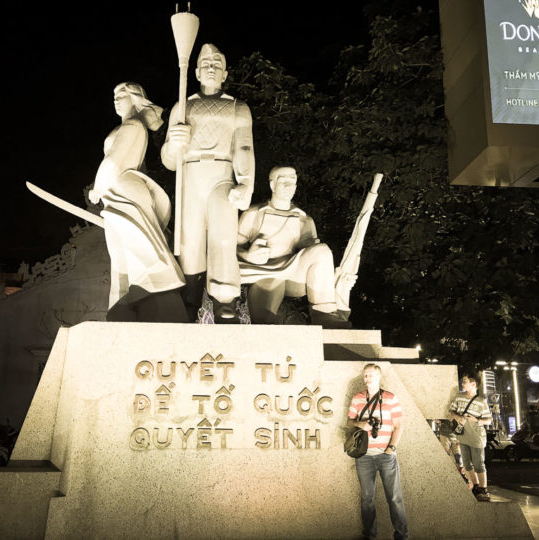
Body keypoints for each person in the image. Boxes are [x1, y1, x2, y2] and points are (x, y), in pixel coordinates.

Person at [161, 43, 254, 321]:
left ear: (225, 74)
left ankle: (225, 296)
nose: (211, 67)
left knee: (223, 234)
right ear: (197, 73)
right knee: (189, 238)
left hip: (221, 174)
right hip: (190, 174)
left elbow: (244, 147)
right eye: (205, 63)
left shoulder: (238, 107)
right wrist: (174, 144)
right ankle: (189, 294)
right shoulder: (183, 105)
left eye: (217, 63)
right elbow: (167, 159)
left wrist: (246, 182)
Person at [89, 82, 186, 322]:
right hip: (123, 190)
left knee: (138, 250)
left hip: (122, 188)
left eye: (122, 94)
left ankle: (153, 291)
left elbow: (113, 161)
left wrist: (97, 188)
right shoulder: (135, 128)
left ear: (136, 98)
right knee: (123, 255)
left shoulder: (132, 126)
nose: (116, 98)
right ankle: (123, 306)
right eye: (114, 95)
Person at [237, 166, 352, 328]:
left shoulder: (304, 219)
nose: (288, 187)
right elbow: (229, 248)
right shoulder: (254, 213)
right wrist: (247, 255)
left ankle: (324, 314)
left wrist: (333, 277)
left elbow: (314, 257)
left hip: (292, 271)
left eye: (292, 183)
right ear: (272, 185)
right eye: (283, 182)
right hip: (262, 273)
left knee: (322, 251)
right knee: (263, 320)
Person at [347, 363, 409, 540]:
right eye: (365, 375)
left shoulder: (390, 398)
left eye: (370, 375)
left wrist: (391, 448)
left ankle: (402, 535)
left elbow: (399, 426)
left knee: (395, 498)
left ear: (379, 377)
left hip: (386, 456)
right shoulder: (358, 398)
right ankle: (369, 535)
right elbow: (349, 421)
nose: (367, 378)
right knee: (367, 499)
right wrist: (361, 424)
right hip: (364, 456)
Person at [449, 372, 493, 501]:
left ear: (473, 384)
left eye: (465, 381)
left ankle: (484, 489)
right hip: (462, 436)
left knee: (479, 464)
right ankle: (475, 486)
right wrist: (458, 417)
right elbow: (452, 411)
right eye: (462, 381)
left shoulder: (481, 401)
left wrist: (476, 420)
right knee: (467, 464)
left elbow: (489, 419)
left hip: (476, 437)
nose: (462, 384)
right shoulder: (459, 397)